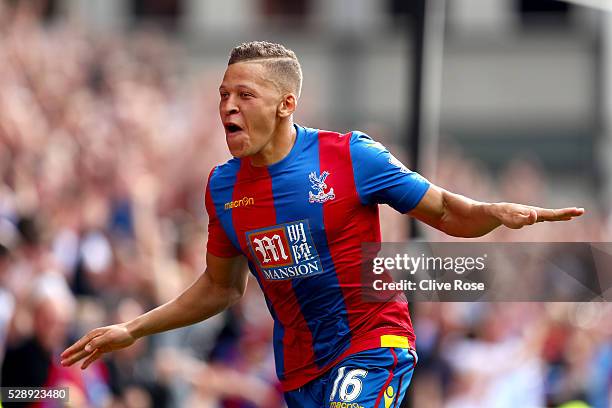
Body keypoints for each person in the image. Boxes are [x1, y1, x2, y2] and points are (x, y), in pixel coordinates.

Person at [61, 41, 584, 407]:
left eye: (245, 95)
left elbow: (446, 211)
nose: (228, 106)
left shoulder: (351, 157)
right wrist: (133, 327)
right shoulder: (222, 188)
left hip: (374, 342)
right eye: (223, 95)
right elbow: (221, 289)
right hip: (300, 372)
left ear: (287, 105)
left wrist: (499, 213)